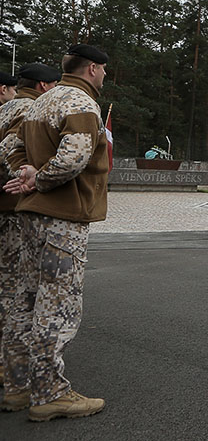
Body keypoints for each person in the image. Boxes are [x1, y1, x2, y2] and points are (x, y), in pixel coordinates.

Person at [2, 45, 110, 421]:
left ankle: (16, 387)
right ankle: (49, 394)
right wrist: (40, 179)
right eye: (103, 70)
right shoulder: (80, 101)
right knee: (57, 306)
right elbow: (74, 156)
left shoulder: (38, 103)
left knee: (25, 301)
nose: (104, 75)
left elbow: (9, 146)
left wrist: (24, 173)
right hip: (61, 217)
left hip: (31, 217)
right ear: (93, 68)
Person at [0, 63, 60, 407]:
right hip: (13, 208)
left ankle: (10, 369)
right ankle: (19, 379)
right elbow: (10, 149)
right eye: (53, 84)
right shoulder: (29, 108)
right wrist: (28, 176)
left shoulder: (7, 107)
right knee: (18, 292)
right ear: (42, 86)